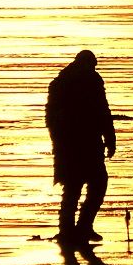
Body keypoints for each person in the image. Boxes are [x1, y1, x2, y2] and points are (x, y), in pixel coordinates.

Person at [45, 49, 116, 249]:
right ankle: (72, 230)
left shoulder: (85, 81)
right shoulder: (66, 83)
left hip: (83, 144)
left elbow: (103, 111)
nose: (93, 69)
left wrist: (110, 138)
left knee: (89, 186)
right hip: (75, 145)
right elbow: (52, 118)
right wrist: (60, 142)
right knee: (78, 187)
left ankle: (79, 228)